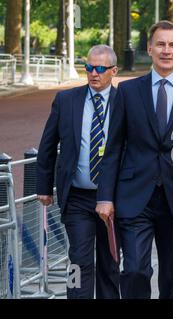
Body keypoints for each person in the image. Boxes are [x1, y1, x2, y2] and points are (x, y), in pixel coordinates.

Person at [95, 21, 173, 299]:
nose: (166, 50)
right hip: (135, 196)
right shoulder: (127, 91)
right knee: (135, 270)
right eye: (160, 44)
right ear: (149, 48)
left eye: (172, 45)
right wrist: (105, 196)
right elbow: (113, 147)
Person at [36, 45, 120, 299]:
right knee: (78, 259)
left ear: (113, 71)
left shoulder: (125, 102)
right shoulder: (66, 100)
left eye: (100, 69)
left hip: (113, 199)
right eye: (89, 68)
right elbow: (47, 144)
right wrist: (43, 186)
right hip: (77, 197)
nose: (93, 73)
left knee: (110, 262)